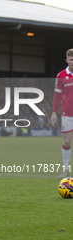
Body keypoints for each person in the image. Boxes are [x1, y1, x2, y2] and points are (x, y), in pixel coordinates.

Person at [51, 48, 73, 178]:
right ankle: (65, 169)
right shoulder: (60, 76)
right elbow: (57, 95)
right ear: (67, 60)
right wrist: (54, 112)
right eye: (71, 59)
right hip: (67, 114)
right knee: (67, 142)